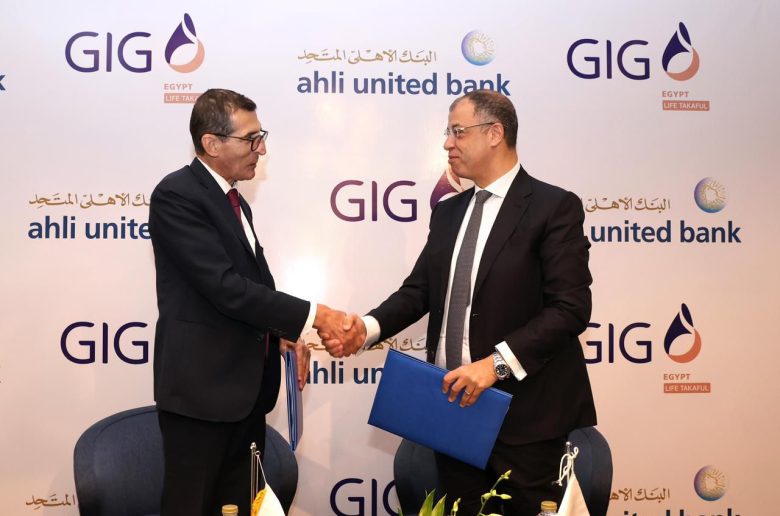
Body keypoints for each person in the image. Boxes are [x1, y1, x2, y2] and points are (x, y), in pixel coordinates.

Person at [329, 90, 597, 515]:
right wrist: (367, 328)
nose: (447, 144)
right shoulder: (448, 212)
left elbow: (570, 308)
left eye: (458, 132)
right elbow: (419, 290)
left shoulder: (553, 207)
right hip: (453, 410)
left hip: (525, 417)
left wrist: (494, 365)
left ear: (495, 133)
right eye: (447, 133)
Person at [149, 88, 349, 516]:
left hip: (245, 398)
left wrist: (282, 334)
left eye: (262, 137)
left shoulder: (234, 201)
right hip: (201, 401)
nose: (262, 149)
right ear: (211, 143)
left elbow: (252, 287)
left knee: (239, 508)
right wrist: (315, 315)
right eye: (251, 139)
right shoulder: (177, 195)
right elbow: (224, 288)